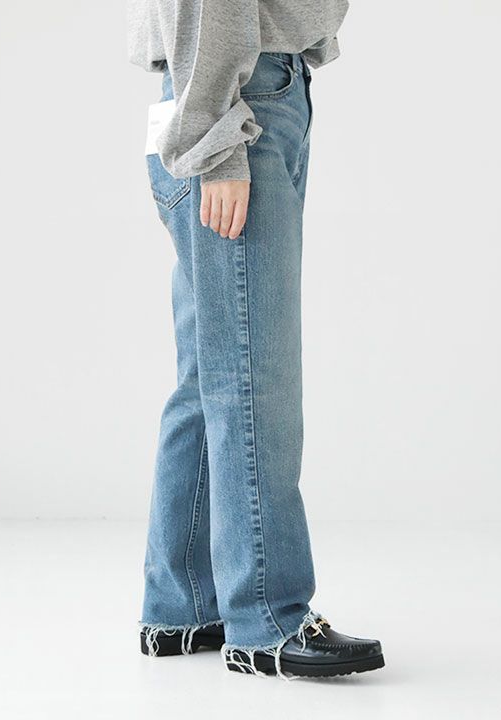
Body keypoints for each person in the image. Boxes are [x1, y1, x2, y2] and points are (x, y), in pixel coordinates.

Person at [127, 0, 385, 679]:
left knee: (212, 375)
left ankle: (182, 607)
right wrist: (216, 143)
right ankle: (268, 619)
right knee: (249, 376)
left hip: (232, 92)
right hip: (236, 103)